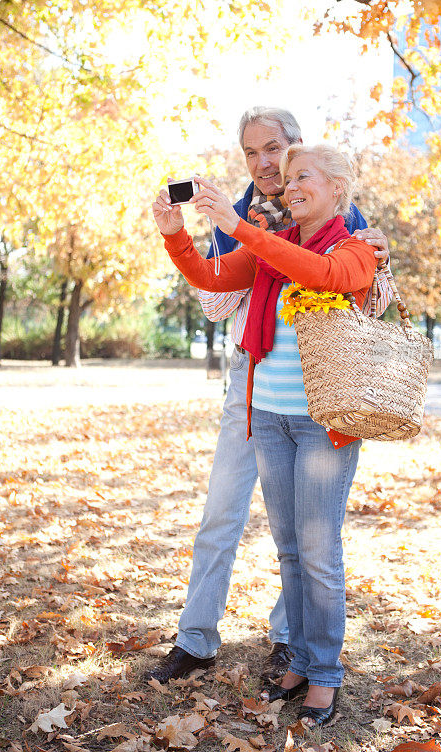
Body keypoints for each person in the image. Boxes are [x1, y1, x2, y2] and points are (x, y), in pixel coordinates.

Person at [145, 108, 391, 686]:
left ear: (298, 150)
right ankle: (197, 639)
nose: (263, 163)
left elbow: (353, 285)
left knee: (309, 539)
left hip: (319, 396)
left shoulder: (338, 211)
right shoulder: (242, 215)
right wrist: (179, 231)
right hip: (256, 385)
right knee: (228, 517)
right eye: (250, 152)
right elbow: (216, 288)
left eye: (274, 149)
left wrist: (378, 257)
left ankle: (296, 648)